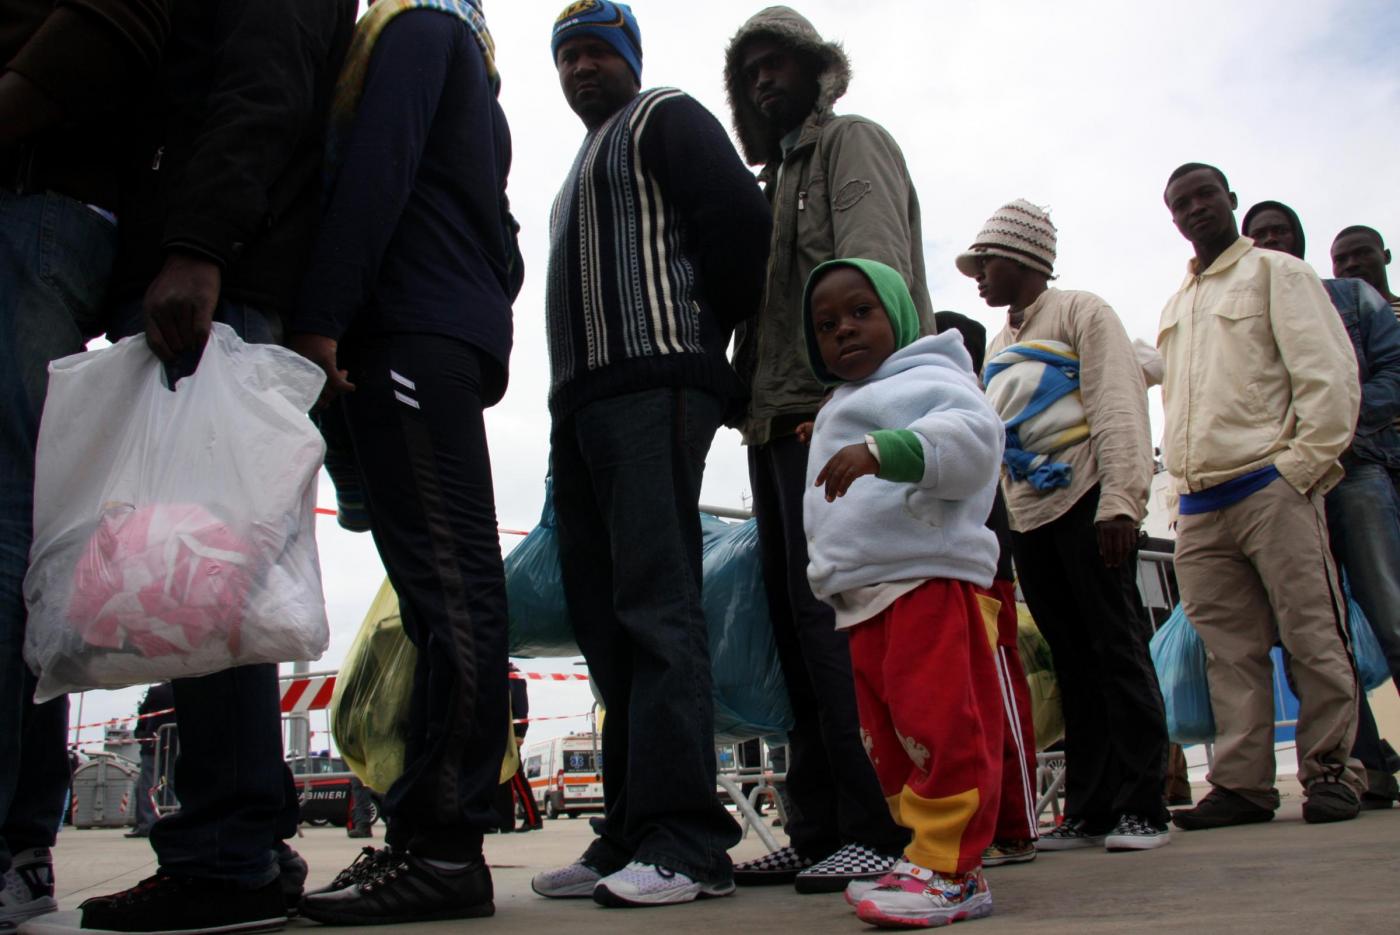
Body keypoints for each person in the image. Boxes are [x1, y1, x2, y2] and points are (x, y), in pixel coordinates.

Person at [75, 2, 355, 931]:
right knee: (202, 584)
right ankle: (243, 843)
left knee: (199, 587)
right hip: (219, 277)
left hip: (214, 283)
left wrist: (196, 247)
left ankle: (226, 853)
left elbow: (261, 90)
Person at [531, 1, 771, 910]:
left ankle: (687, 841)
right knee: (605, 621)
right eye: (567, 59)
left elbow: (743, 235)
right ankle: (631, 828)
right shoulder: (576, 169)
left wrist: (703, 351)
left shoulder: (666, 116)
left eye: (596, 53)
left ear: (630, 58)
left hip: (652, 387)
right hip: (583, 406)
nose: (581, 71)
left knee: (657, 605)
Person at [289, 0, 520, 925]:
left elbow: (376, 167)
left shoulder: (422, 29)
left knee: (454, 589)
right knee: (434, 599)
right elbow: (500, 244)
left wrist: (325, 310)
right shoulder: (461, 58)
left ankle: (447, 847)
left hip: (407, 332)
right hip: (424, 328)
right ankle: (424, 835)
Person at [721, 5, 929, 892]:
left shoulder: (851, 145)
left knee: (846, 622)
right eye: (750, 72)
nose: (766, 82)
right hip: (775, 426)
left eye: (779, 65)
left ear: (817, 70)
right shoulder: (770, 187)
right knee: (799, 629)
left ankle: (877, 827)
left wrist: (858, 404)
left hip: (831, 419)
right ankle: (817, 828)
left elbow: (870, 275)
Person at [0, 1, 169, 928]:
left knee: (15, 534)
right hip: (51, 207)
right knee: (25, 534)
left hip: (42, 205)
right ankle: (22, 840)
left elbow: (120, 22)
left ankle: (18, 837)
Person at [1158, 164, 1365, 831]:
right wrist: (1177, 496)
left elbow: (1328, 375)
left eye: (1205, 196)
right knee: (1228, 650)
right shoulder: (1177, 302)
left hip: (1270, 487)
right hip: (1199, 505)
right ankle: (1244, 784)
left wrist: (1300, 468)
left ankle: (1332, 769)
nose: (1194, 209)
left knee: (1311, 631)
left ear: (1230, 201)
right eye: (1180, 203)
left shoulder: (1280, 274)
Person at [800, 258, 1004, 928]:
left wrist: (888, 449)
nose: (845, 330)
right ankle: (924, 850)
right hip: (864, 598)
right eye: (827, 324)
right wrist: (829, 433)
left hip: (925, 580)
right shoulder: (840, 403)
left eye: (862, 311)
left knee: (940, 723)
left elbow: (974, 440)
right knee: (887, 737)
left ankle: (955, 869)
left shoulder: (931, 375)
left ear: (900, 313)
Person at [963, 200, 1171, 852]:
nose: (978, 275)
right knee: (1073, 661)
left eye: (987, 261)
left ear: (1023, 259)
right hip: (1031, 520)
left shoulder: (1083, 311)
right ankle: (1090, 805)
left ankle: (1145, 805)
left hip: (1088, 503)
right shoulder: (1000, 343)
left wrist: (1122, 502)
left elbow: (1117, 402)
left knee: (1118, 648)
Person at [1242, 200, 1400, 808]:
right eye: (1260, 235)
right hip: (1283, 487)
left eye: (1281, 231)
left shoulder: (1351, 298)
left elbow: (1392, 375)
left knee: (1389, 614)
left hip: (1354, 472)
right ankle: (1363, 766)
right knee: (1315, 633)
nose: (1271, 241)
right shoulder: (1246, 311)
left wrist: (1332, 432)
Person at [933, 311, 1041, 867]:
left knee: (998, 689)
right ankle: (978, 824)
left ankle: (1018, 825)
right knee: (960, 700)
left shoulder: (966, 403)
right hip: (945, 568)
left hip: (984, 571)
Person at [127, 682, 176, 839]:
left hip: (153, 743)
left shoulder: (157, 691)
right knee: (168, 782)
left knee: (148, 783)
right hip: (174, 744)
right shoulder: (186, 690)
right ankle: (169, 820)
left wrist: (141, 734)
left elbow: (143, 713)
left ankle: (148, 823)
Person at [1332, 225, 1399, 316]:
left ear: (1386, 256)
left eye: (1363, 253)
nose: (1351, 264)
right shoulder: (1326, 320)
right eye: (1340, 259)